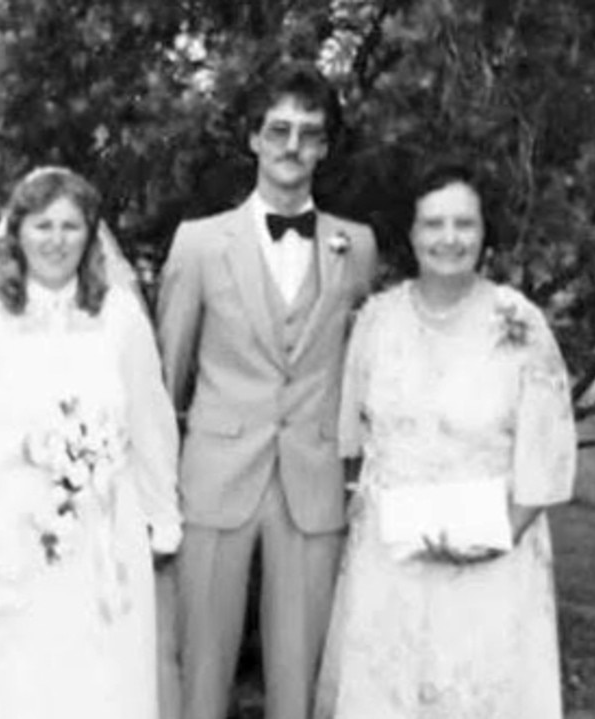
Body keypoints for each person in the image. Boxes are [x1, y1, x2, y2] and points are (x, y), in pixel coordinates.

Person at [154, 63, 379, 719]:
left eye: (309, 133)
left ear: (325, 147)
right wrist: (158, 488)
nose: (291, 145)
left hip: (310, 482)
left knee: (298, 683)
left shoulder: (354, 246)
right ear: (252, 139)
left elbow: (363, 371)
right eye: (277, 129)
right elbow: (167, 377)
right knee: (198, 669)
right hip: (213, 478)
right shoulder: (198, 244)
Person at [315, 161, 577, 718]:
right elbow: (350, 445)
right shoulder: (377, 321)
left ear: (485, 233)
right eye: (433, 224)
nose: (449, 239)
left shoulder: (521, 324)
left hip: (491, 568)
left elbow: (547, 461)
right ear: (410, 234)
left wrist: (494, 537)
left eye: (465, 223)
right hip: (390, 567)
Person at [0, 166, 181, 719]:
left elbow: (150, 421)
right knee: (12, 679)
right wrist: (21, 449)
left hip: (101, 532)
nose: (56, 240)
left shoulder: (118, 319)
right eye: (42, 225)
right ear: (16, 233)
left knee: (95, 679)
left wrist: (163, 518)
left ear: (91, 236)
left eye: (71, 226)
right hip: (8, 528)